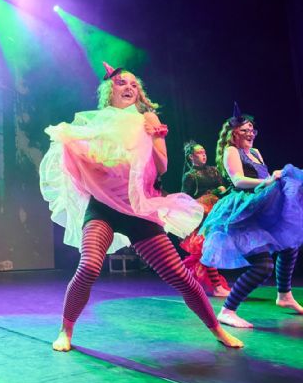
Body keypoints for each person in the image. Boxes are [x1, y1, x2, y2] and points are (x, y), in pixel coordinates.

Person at [40, 63, 243, 350]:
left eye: (134, 85)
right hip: (103, 206)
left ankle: (218, 330)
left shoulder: (146, 118)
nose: (129, 87)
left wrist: (153, 135)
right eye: (122, 82)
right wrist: (72, 143)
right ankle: (66, 331)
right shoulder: (98, 122)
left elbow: (162, 166)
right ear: (109, 90)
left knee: (179, 275)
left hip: (139, 207)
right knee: (89, 266)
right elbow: (84, 162)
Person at [200, 104, 303, 328]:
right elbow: (238, 180)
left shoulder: (255, 152)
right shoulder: (231, 151)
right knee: (263, 265)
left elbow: (264, 177)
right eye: (245, 130)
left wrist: (276, 181)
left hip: (261, 206)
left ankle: (284, 295)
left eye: (252, 130)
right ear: (233, 133)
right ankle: (227, 310)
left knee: (290, 245)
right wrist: (268, 181)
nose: (250, 133)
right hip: (242, 212)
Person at [180, 141, 231, 297]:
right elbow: (185, 199)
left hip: (217, 213)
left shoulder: (214, 171)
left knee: (209, 251)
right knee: (208, 249)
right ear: (191, 157)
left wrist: (223, 191)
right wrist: (205, 199)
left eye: (204, 151)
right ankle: (216, 286)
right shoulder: (190, 176)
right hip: (202, 217)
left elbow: (222, 189)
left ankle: (190, 281)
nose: (204, 154)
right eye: (199, 152)